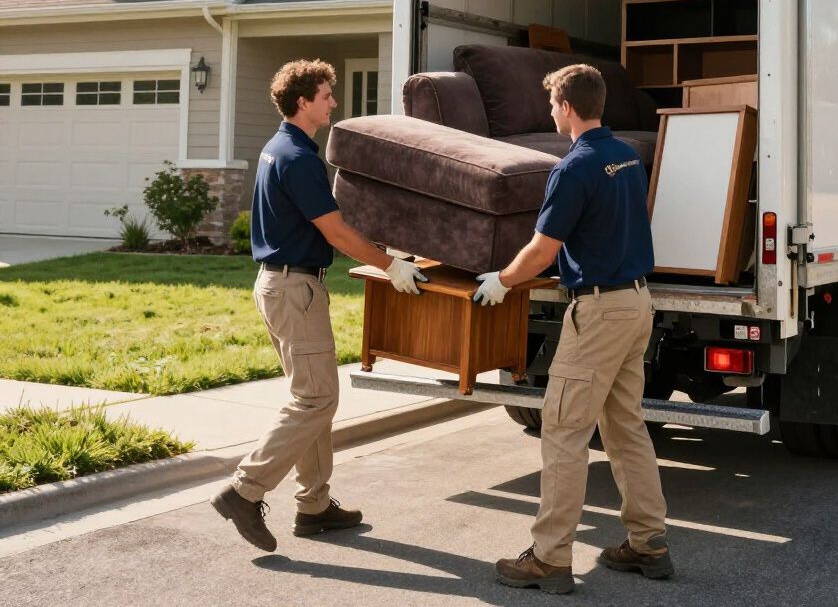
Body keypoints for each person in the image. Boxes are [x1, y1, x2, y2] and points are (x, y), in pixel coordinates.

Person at [211, 59, 427, 553]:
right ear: (303, 101)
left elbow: (327, 223)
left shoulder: (278, 148)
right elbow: (333, 229)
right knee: (316, 400)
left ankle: (313, 506)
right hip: (295, 289)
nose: (334, 102)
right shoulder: (299, 157)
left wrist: (384, 251)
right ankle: (244, 491)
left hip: (278, 285)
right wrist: (389, 265)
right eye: (327, 95)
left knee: (311, 399)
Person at [473, 63, 672, 593]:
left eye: (552, 105)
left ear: (565, 107)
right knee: (626, 427)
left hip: (601, 312)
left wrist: (503, 280)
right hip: (636, 304)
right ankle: (648, 541)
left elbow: (543, 248)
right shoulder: (627, 155)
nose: (550, 112)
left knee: (563, 431)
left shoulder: (574, 166)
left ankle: (550, 557)